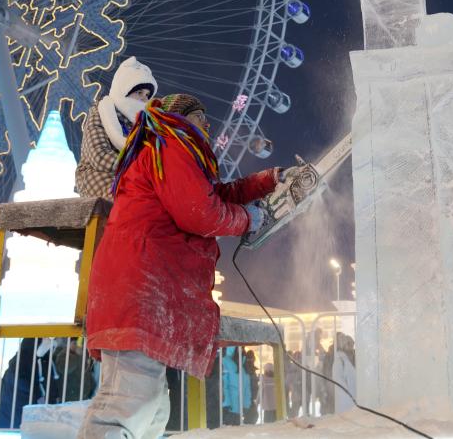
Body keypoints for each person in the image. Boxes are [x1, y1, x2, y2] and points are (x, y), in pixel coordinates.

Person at [79, 94, 294, 439]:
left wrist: (269, 180)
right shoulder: (169, 146)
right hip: (141, 288)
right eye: (200, 116)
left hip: (142, 288)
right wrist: (250, 219)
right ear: (181, 119)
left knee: (152, 408)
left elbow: (214, 195)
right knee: (129, 402)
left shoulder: (174, 152)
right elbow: (201, 213)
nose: (208, 124)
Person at [76, 57, 158, 200]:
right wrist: (140, 168)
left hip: (132, 176)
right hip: (97, 176)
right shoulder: (101, 112)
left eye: (147, 95)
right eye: (139, 92)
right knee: (131, 199)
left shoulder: (143, 124)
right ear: (124, 89)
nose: (144, 100)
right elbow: (99, 156)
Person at [332, 333, 357, 413]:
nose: (351, 348)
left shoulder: (347, 359)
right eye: (348, 344)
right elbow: (339, 381)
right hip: (346, 401)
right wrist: (349, 396)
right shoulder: (340, 360)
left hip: (352, 398)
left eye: (351, 344)